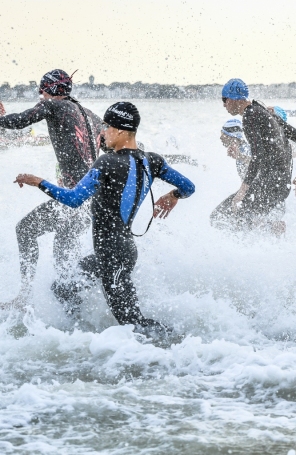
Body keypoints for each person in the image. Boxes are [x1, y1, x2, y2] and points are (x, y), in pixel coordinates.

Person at [13, 102, 195, 337]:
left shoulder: (107, 162)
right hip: (117, 252)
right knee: (63, 289)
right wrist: (174, 195)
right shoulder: (153, 160)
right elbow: (188, 187)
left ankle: (181, 344)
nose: (102, 132)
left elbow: (74, 199)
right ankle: (79, 338)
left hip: (113, 255)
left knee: (133, 323)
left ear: (120, 130)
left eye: (106, 126)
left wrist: (39, 182)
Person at [0, 70, 103, 309]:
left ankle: (23, 297)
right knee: (64, 245)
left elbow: (20, 121)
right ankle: (74, 304)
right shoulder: (90, 115)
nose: (40, 94)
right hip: (91, 199)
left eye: (42, 89)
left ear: (49, 90)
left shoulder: (53, 105)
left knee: (25, 230)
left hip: (72, 198)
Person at [214, 79, 296, 233]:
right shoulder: (264, 112)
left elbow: (258, 157)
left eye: (224, 100)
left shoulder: (249, 116)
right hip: (281, 186)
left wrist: (242, 190)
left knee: (219, 217)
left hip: (268, 185)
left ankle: (261, 239)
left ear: (232, 99)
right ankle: (273, 235)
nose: (224, 105)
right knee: (245, 222)